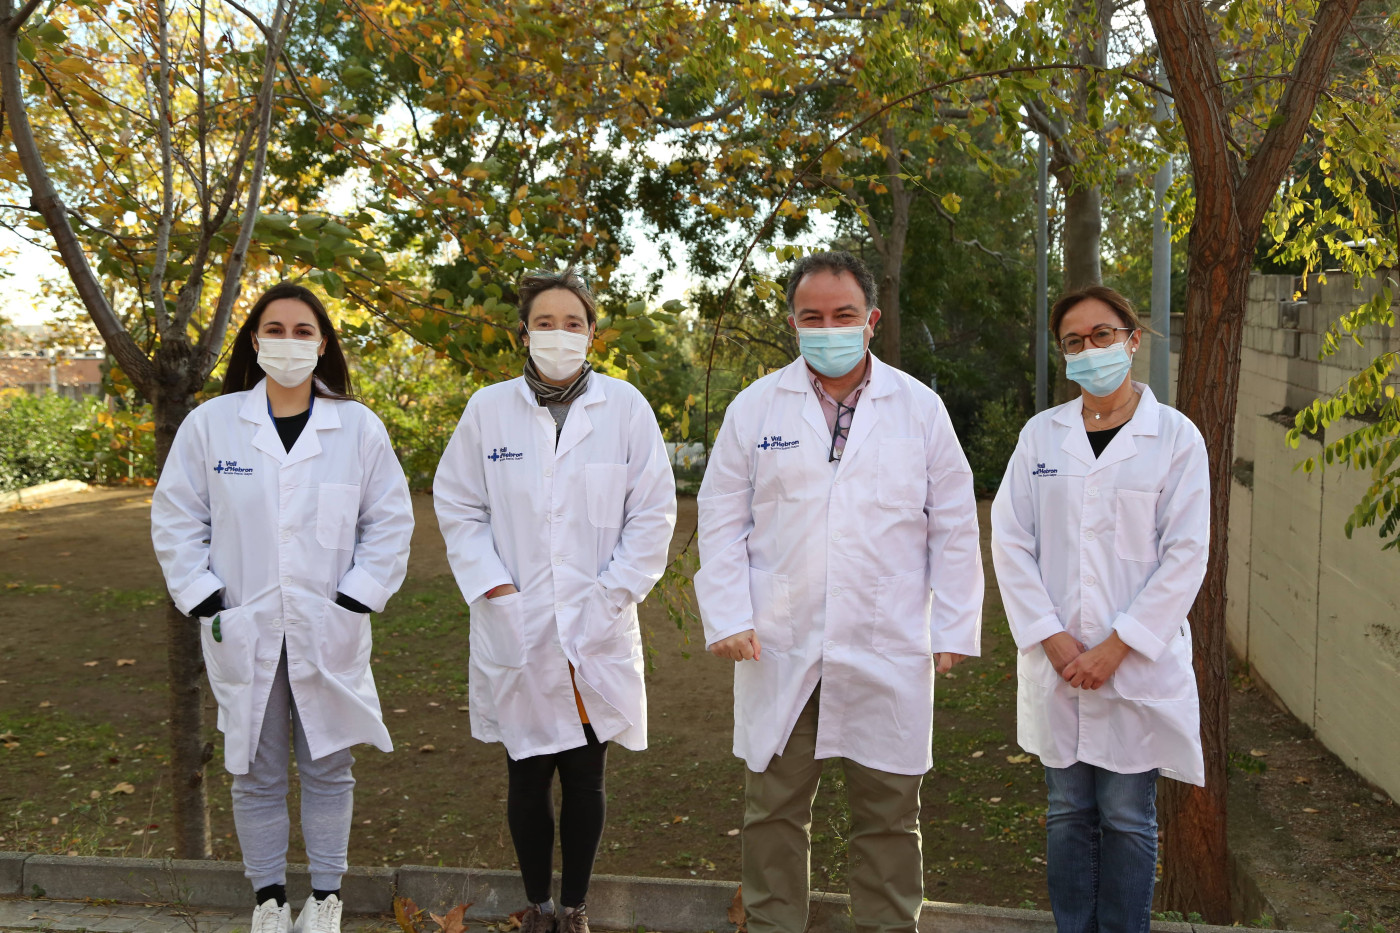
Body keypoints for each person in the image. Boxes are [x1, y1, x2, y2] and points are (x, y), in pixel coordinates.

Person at [695, 250, 983, 933]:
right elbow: (721, 517)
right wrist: (728, 614)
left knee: (888, 815)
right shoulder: (754, 408)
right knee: (773, 809)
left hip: (887, 638)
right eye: (812, 316)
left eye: (843, 314)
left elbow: (954, 523)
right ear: (793, 323)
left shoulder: (918, 408)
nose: (828, 329)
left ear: (871, 320)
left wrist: (953, 626)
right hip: (779, 639)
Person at [151, 283, 415, 933]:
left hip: (329, 623)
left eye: (303, 331)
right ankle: (268, 900)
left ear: (323, 345)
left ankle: (325, 898)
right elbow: (177, 517)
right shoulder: (212, 424)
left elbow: (388, 522)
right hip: (246, 621)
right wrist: (206, 599)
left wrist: (354, 599)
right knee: (255, 767)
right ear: (254, 341)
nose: (289, 342)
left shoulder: (357, 427)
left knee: (329, 765)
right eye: (275, 329)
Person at [433, 269, 677, 933]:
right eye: (546, 322)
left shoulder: (625, 409)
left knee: (587, 775)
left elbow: (652, 513)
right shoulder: (489, 410)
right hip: (519, 620)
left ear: (593, 334)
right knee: (527, 772)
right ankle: (539, 907)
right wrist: (493, 584)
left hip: (597, 621)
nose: (559, 334)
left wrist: (612, 592)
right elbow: (458, 504)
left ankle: (575, 908)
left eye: (573, 322)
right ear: (524, 333)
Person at [991, 285, 1209, 932]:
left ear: (1132, 340)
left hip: (1133, 664)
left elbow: (1186, 553)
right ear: (1063, 354)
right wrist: (1050, 636)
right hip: (1058, 661)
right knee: (1066, 814)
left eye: (1103, 335)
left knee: (1126, 817)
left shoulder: (1175, 438)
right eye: (1074, 341)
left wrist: (1118, 646)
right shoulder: (1041, 437)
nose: (1090, 349)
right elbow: (1010, 541)